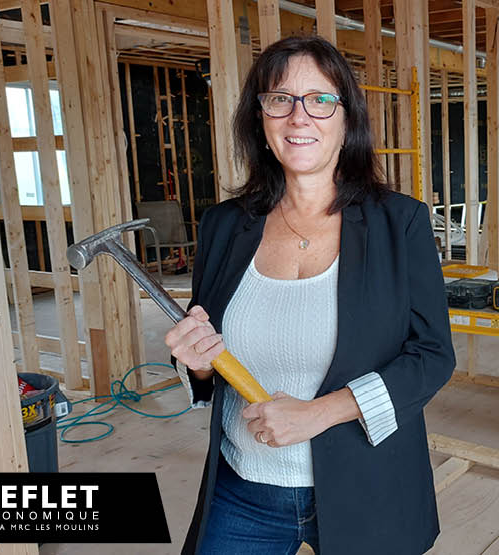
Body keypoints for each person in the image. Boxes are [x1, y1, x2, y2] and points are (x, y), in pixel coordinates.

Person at [164, 35, 456, 555]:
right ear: (261, 120)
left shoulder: (400, 223)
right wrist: (199, 364)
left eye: (320, 99)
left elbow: (432, 356)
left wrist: (321, 412)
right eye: (280, 99)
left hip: (369, 483)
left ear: (348, 120)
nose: (300, 117)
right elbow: (208, 359)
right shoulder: (224, 227)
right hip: (244, 487)